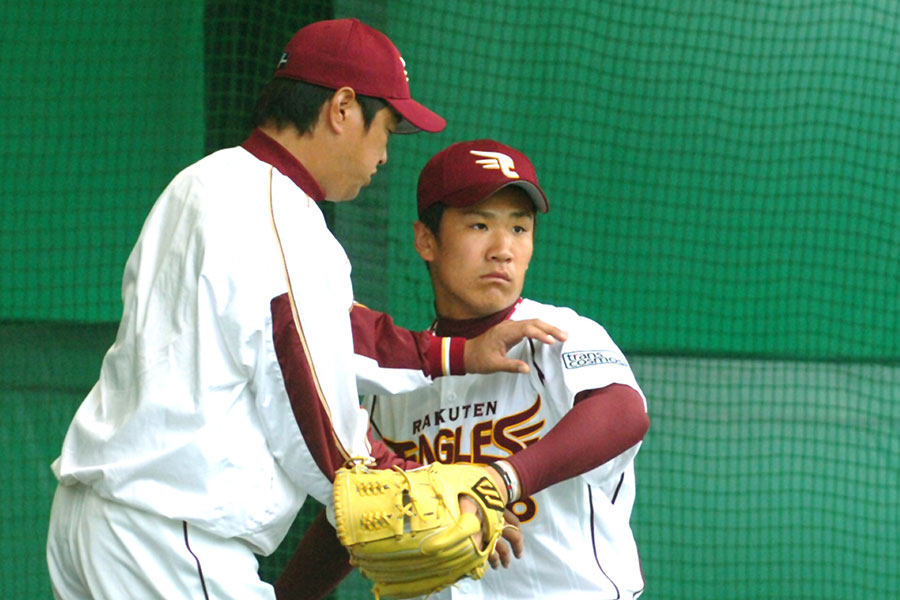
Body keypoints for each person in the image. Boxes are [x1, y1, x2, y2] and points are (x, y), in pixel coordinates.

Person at [45, 20, 565, 600]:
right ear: (342, 108)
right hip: (169, 534)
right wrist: (419, 491)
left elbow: (325, 329)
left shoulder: (201, 182)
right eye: (387, 128)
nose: (385, 154)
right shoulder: (284, 215)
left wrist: (454, 353)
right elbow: (307, 388)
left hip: (97, 517)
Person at [276, 139, 650, 599]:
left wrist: (501, 480)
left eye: (519, 228)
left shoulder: (556, 334)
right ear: (426, 240)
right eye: (480, 224)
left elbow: (624, 412)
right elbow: (356, 512)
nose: (503, 249)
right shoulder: (397, 382)